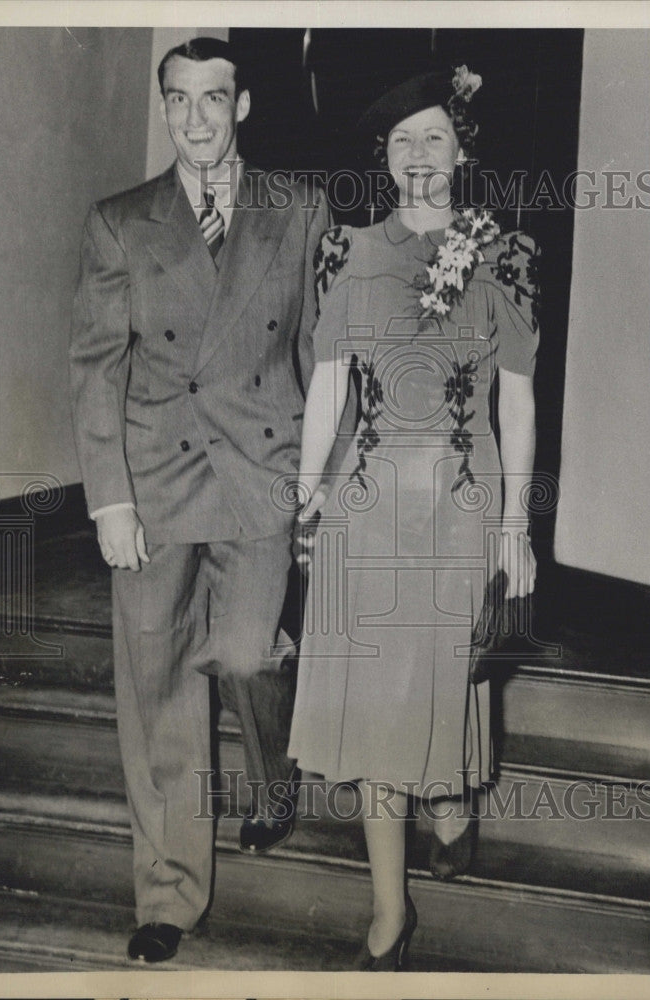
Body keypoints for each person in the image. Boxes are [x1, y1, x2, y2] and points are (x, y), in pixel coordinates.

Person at [69, 37, 329, 963]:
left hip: (262, 473)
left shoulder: (295, 209)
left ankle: (277, 776)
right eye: (177, 100)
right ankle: (170, 895)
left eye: (213, 100)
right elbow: (97, 369)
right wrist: (110, 501)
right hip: (156, 478)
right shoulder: (121, 220)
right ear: (166, 107)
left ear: (243, 106)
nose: (195, 119)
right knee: (159, 686)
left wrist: (320, 480)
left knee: (250, 656)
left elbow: (314, 353)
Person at [287, 67, 539, 970]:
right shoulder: (345, 251)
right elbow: (326, 384)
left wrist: (516, 525)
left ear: (461, 148)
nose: (419, 156)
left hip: (459, 514)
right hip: (366, 512)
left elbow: (517, 401)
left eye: (434, 137)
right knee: (375, 720)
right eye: (402, 142)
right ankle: (389, 911)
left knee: (448, 682)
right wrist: (307, 493)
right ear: (384, 161)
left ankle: (452, 802)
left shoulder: (503, 253)